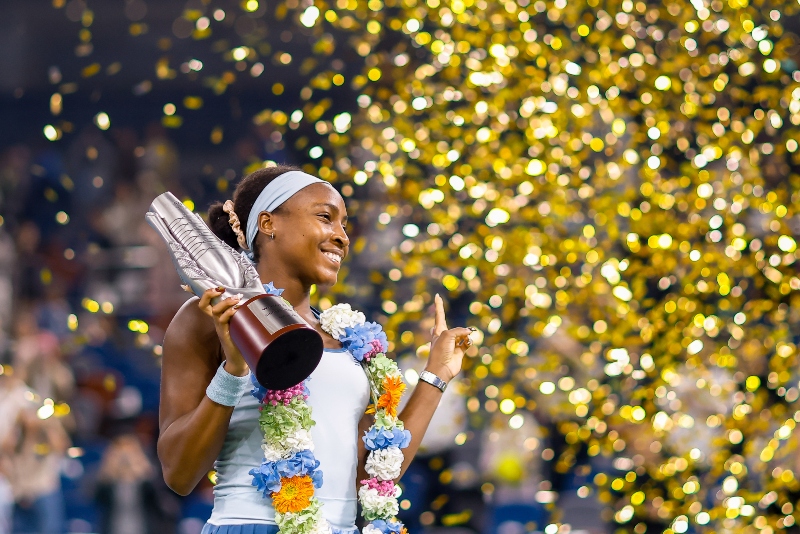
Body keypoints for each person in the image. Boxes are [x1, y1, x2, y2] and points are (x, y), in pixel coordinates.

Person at [157, 165, 475, 534]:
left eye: (344, 225)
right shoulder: (212, 316)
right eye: (326, 217)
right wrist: (234, 368)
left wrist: (436, 375)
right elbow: (179, 474)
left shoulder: (349, 339)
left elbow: (373, 471)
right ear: (268, 223)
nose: (341, 236)